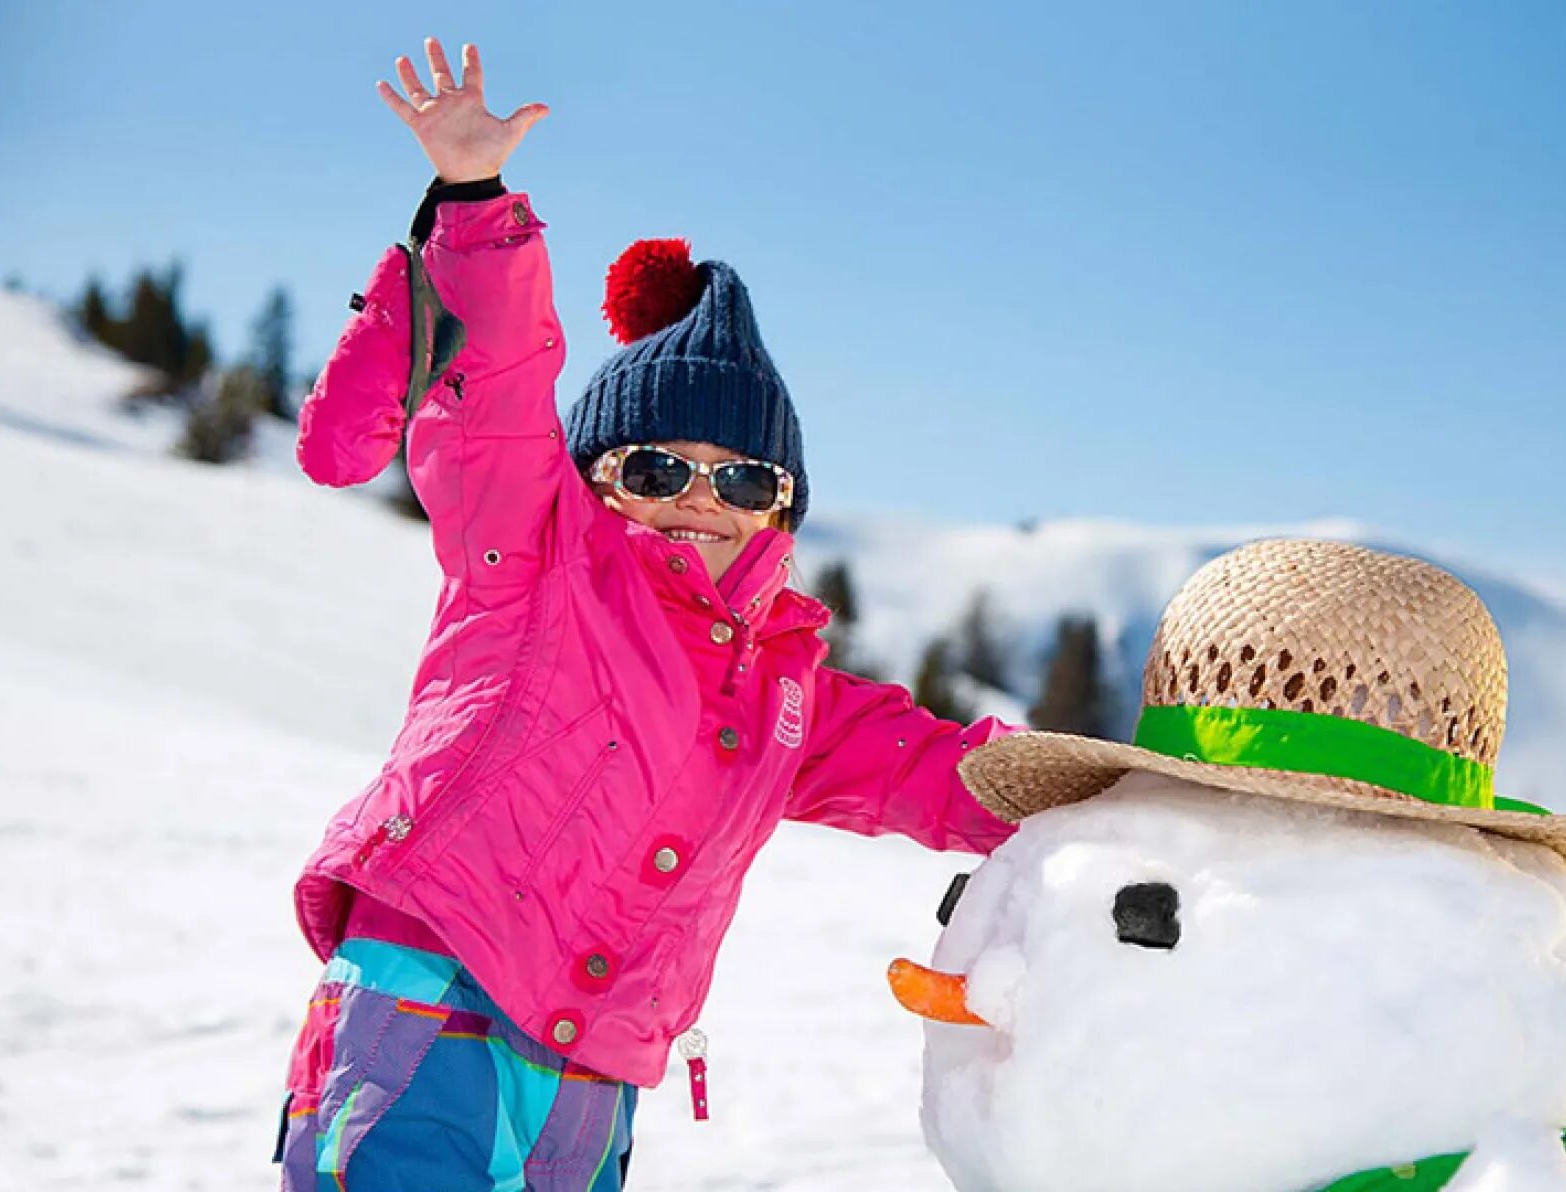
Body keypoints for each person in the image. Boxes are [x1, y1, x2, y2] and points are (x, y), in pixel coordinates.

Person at [276, 36, 1016, 1191]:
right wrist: (475, 198)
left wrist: (1117, 801)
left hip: (597, 1073)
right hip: (433, 999)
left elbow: (939, 770)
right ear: (597, 470)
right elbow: (508, 385)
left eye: (742, 480)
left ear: (783, 509)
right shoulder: (536, 550)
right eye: (661, 469)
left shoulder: (788, 689)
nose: (700, 502)